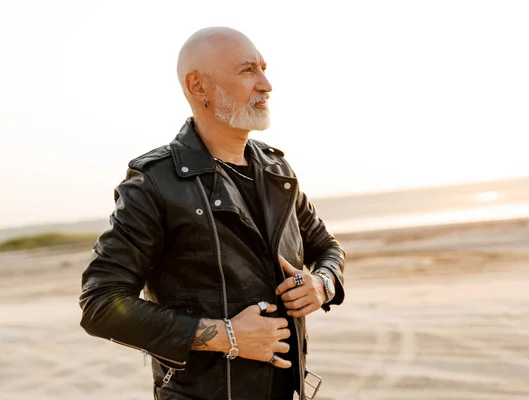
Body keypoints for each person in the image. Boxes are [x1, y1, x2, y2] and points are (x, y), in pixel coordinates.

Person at [79, 26, 345, 400]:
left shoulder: (276, 171)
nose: (266, 84)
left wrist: (322, 284)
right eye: (247, 70)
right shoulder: (155, 182)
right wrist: (226, 335)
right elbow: (101, 303)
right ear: (198, 86)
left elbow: (327, 247)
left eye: (264, 69)